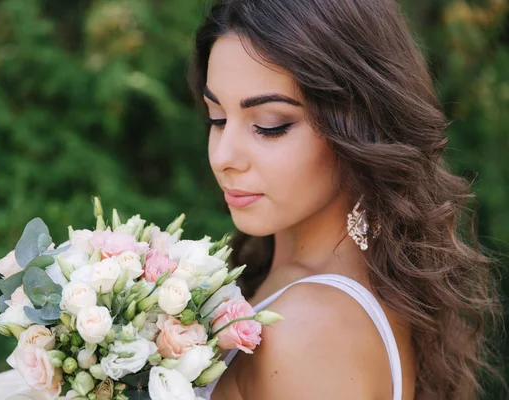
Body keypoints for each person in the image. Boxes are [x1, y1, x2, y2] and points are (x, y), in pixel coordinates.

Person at [188, 1, 502, 399]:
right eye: (217, 118)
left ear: (357, 127)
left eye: (270, 126)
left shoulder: (308, 330)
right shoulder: (325, 284)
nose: (223, 156)